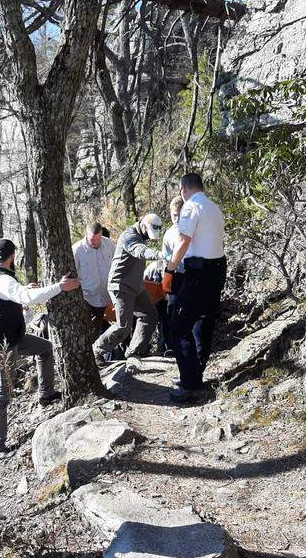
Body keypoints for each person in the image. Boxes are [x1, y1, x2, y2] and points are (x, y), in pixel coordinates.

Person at [0, 238, 81, 459]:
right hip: (2, 346)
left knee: (45, 348)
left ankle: (46, 393)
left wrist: (24, 288)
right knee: (2, 395)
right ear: (12, 257)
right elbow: (26, 297)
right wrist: (60, 287)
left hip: (13, 338)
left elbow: (14, 294)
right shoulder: (3, 280)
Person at [166, 172, 227, 403]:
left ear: (183, 189)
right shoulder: (214, 208)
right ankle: (195, 374)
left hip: (198, 272)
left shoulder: (191, 207)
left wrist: (169, 270)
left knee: (178, 326)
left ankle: (190, 384)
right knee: (203, 322)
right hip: (217, 269)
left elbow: (183, 242)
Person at [93, 214, 171, 365]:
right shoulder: (128, 236)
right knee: (123, 326)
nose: (149, 238)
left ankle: (135, 352)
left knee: (150, 315)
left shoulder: (141, 236)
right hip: (120, 286)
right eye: (148, 233)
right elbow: (139, 250)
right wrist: (159, 255)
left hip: (136, 286)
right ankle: (97, 350)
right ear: (142, 226)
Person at [73, 223, 117, 342]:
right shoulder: (77, 250)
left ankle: (110, 355)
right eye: (92, 239)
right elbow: (72, 275)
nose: (95, 242)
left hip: (108, 296)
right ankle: (91, 356)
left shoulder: (109, 244)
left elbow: (116, 265)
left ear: (101, 234)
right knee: (90, 331)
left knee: (113, 329)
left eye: (98, 239)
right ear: (86, 235)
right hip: (88, 298)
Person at [154, 196, 186, 357]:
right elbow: (163, 259)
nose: (177, 219)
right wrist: (164, 281)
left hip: (192, 275)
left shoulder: (193, 228)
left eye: (180, 215)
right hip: (173, 277)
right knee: (171, 310)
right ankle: (171, 346)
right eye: (174, 215)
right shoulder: (169, 234)